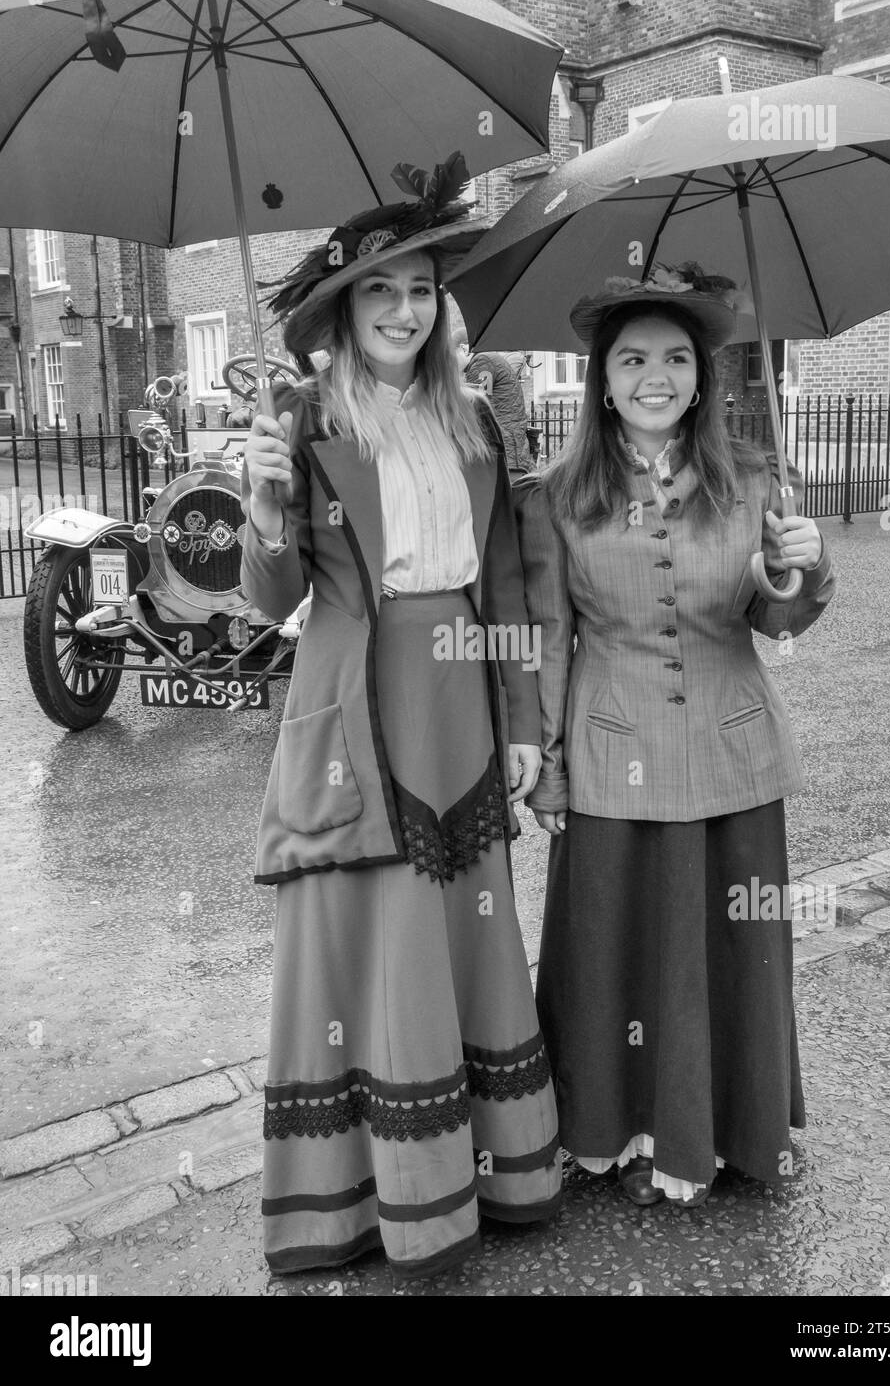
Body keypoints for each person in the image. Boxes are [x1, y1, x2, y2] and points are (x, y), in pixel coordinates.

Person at [240, 154, 561, 1280]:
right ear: (340, 311)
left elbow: (510, 585)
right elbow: (271, 600)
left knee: (464, 934)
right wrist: (268, 504)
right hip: (352, 711)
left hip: (464, 699)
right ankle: (358, 1208)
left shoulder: (475, 420)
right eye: (380, 291)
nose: (404, 309)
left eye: (421, 288)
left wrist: (525, 723)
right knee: (366, 949)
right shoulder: (302, 422)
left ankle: (489, 1177)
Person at [514, 266, 836, 1209]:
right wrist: (549, 767)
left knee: (731, 953)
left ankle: (734, 1130)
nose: (653, 375)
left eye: (674, 358)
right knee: (611, 948)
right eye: (631, 359)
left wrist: (795, 572)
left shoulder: (753, 481)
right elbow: (549, 638)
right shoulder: (557, 494)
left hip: (734, 757)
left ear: (701, 376)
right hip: (613, 753)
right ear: (601, 380)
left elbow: (776, 623)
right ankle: (617, 1132)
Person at [454, 329, 532, 473]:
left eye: (451, 356)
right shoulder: (486, 360)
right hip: (509, 444)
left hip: (505, 447)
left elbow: (477, 407)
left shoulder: (483, 362)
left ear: (464, 348)